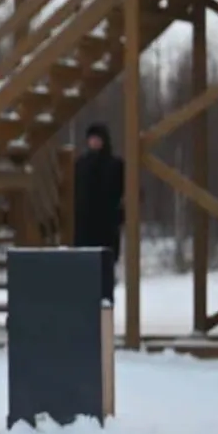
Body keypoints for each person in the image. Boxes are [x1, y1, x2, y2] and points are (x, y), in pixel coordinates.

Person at [73, 121, 125, 304]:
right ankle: (88, 325)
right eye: (91, 139)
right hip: (84, 229)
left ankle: (106, 326)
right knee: (84, 282)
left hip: (107, 229)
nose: (94, 142)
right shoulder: (81, 164)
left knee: (105, 283)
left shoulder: (115, 165)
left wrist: (120, 215)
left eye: (97, 139)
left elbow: (125, 193)